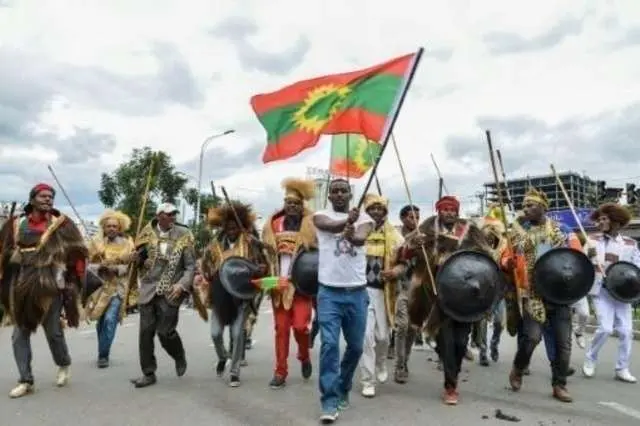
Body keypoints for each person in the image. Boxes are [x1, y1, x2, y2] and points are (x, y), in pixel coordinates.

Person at [0, 183, 87, 398]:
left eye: (51, 196)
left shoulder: (63, 225)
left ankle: (63, 363)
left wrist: (75, 278)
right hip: (21, 286)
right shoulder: (15, 224)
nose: (48, 199)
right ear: (32, 199)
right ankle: (25, 380)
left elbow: (77, 252)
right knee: (19, 335)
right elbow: (2, 249)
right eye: (43, 196)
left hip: (50, 286)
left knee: (54, 333)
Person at [404, 195, 491, 405]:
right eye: (445, 209)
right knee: (445, 339)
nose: (449, 212)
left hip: (463, 293)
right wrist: (415, 243)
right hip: (435, 291)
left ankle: (451, 366)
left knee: (460, 343)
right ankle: (450, 386)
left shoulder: (469, 229)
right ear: (439, 210)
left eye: (453, 209)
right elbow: (407, 251)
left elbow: (485, 254)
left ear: (457, 211)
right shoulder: (426, 227)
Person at [503, 188, 574, 402]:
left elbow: (574, 258)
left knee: (563, 343)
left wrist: (583, 253)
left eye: (530, 205)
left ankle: (559, 385)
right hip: (532, 292)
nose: (526, 209)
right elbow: (505, 256)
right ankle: (518, 367)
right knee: (531, 337)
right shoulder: (516, 232)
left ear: (544, 207)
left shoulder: (562, 229)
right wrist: (508, 262)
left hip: (558, 293)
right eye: (523, 206)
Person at [313, 178, 374, 424]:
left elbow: (360, 239)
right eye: (334, 191)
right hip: (329, 293)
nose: (339, 194)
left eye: (343, 191)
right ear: (329, 195)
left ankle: (344, 383)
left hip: (357, 293)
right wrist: (344, 222)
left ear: (350, 194)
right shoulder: (319, 215)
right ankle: (329, 400)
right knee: (329, 344)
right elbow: (328, 225)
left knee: (357, 347)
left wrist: (352, 229)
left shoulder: (365, 219)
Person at [201, 201, 267, 387]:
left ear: (240, 227)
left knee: (238, 333)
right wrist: (209, 274)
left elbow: (261, 264)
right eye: (228, 227)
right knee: (215, 334)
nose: (231, 230)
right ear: (223, 228)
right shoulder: (214, 246)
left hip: (241, 296)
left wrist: (260, 268)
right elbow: (204, 265)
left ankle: (234, 371)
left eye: (234, 227)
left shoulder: (250, 243)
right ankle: (223, 356)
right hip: (220, 296)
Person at [130, 203, 195, 388]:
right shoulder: (146, 234)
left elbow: (190, 266)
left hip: (171, 290)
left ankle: (178, 354)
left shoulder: (184, 235)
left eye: (174, 214)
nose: (173, 217)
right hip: (148, 289)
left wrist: (182, 285)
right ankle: (148, 373)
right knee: (145, 333)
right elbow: (139, 259)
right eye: (169, 214)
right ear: (159, 216)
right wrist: (136, 258)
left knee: (165, 332)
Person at [262, 177, 317, 389]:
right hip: (279, 285)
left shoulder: (311, 225)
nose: (291, 206)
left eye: (295, 203)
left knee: (302, 327)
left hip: (301, 287)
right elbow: (266, 253)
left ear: (301, 205)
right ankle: (280, 371)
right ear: (284, 204)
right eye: (288, 203)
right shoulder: (274, 224)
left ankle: (304, 356)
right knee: (281, 329)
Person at [582, 202, 638, 383]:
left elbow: (636, 268)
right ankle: (590, 358)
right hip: (602, 291)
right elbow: (581, 265)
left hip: (622, 293)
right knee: (605, 328)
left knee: (626, 331)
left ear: (616, 221)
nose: (600, 222)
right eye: (599, 219)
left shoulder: (630, 243)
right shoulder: (592, 240)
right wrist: (587, 255)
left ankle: (622, 368)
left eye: (604, 218)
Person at [359, 194, 404, 397]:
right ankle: (368, 381)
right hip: (360, 292)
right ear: (366, 211)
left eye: (380, 208)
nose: (376, 211)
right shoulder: (358, 232)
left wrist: (395, 272)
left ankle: (381, 362)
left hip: (383, 293)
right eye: (372, 208)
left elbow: (406, 263)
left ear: (385, 212)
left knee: (383, 337)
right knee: (366, 338)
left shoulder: (395, 236)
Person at [85, 209, 135, 368]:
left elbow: (130, 267)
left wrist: (116, 269)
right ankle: (103, 350)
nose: (112, 228)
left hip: (118, 288)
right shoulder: (95, 243)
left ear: (119, 227)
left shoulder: (128, 244)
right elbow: (88, 265)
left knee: (109, 319)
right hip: (100, 289)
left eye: (115, 226)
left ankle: (103, 355)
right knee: (100, 321)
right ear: (104, 228)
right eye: (109, 226)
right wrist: (100, 266)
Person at [392, 204, 420, 384]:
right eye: (411, 217)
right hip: (399, 286)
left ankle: (405, 359)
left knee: (413, 327)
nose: (415, 220)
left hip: (417, 287)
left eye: (417, 217)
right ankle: (399, 365)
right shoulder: (395, 235)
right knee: (402, 325)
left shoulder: (423, 236)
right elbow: (395, 254)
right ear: (402, 218)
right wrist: (411, 240)